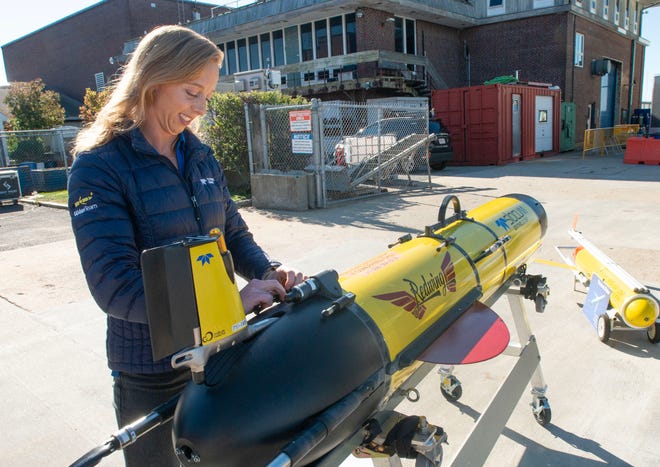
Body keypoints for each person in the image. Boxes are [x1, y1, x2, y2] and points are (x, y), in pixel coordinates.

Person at [67, 25, 304, 466]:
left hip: (219, 355)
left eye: (207, 96)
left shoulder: (199, 155)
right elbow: (115, 286)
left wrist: (268, 273)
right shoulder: (99, 167)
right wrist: (231, 305)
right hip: (152, 371)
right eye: (192, 92)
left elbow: (231, 231)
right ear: (153, 80)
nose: (200, 109)